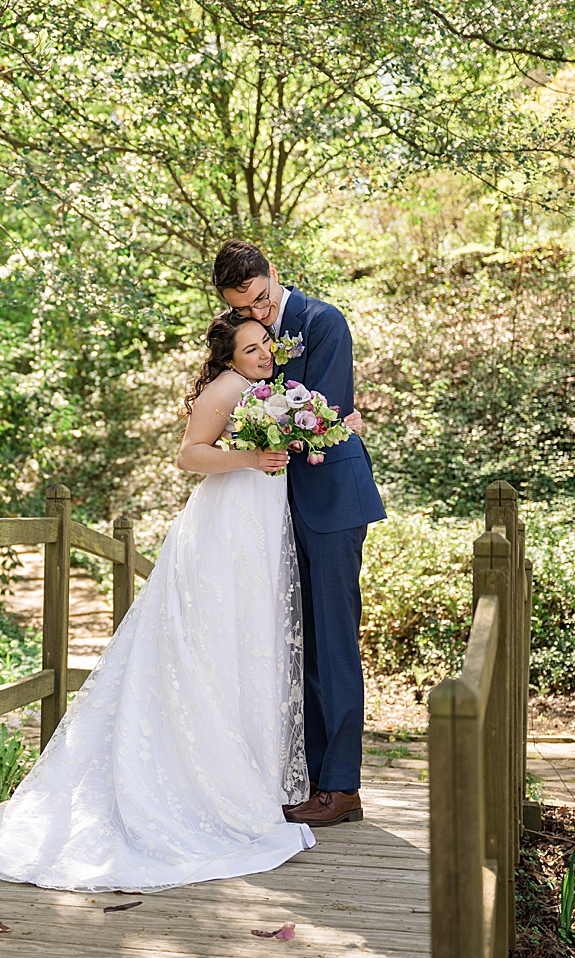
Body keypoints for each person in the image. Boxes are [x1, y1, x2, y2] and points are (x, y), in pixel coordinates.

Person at [0, 310, 316, 892]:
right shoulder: (226, 389)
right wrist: (252, 457)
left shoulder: (266, 390)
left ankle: (244, 774)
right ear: (228, 358)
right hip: (224, 527)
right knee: (214, 643)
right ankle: (206, 781)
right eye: (251, 349)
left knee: (249, 643)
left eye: (265, 343)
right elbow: (190, 454)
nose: (263, 353)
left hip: (258, 522)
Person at [212, 239, 386, 827]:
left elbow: (324, 414)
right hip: (275, 510)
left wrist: (310, 419)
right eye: (246, 309)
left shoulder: (323, 321)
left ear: (273, 276)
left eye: (262, 301)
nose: (258, 316)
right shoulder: (246, 329)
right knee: (297, 643)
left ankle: (342, 789)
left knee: (334, 643)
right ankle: (305, 775)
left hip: (332, 504)